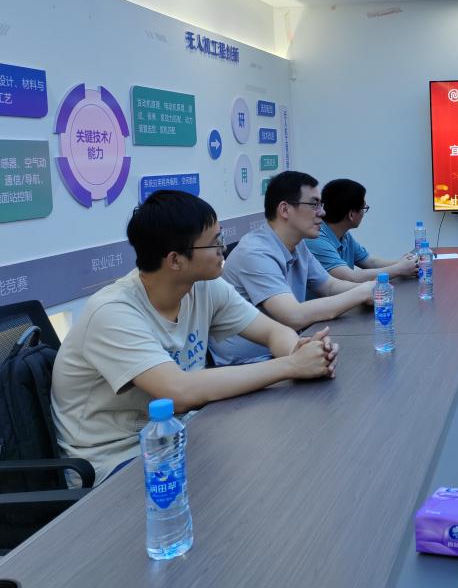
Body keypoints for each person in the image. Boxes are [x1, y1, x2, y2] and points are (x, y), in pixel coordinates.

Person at [51, 191, 339, 483]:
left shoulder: (202, 286)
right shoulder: (112, 312)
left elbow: (272, 330)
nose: (223, 249)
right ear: (175, 260)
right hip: (115, 462)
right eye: (215, 242)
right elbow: (179, 392)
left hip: (178, 437)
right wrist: (291, 366)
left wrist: (300, 351)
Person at [210, 171, 373, 365]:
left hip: (283, 352)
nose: (322, 213)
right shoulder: (254, 252)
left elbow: (329, 286)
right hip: (245, 365)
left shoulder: (298, 244)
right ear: (285, 209)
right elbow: (293, 316)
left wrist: (374, 289)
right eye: (314, 205)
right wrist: (362, 293)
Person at [305, 178, 418, 281]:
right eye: (364, 208)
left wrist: (402, 263)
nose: (364, 212)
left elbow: (369, 261)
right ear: (351, 214)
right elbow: (351, 277)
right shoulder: (316, 239)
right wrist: (399, 269)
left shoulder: (344, 235)